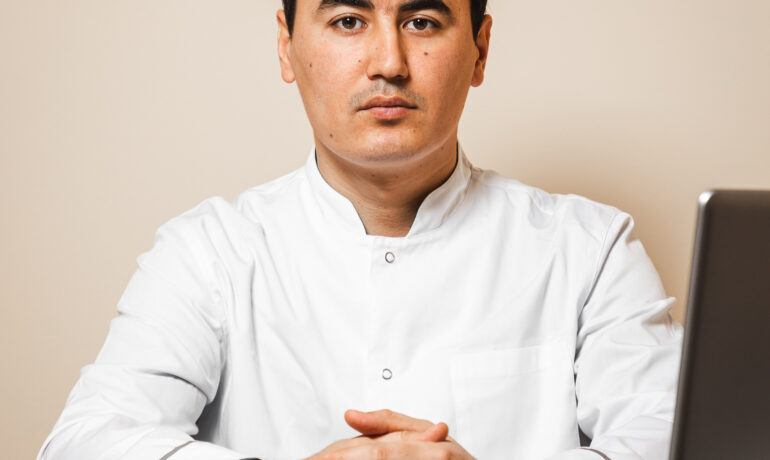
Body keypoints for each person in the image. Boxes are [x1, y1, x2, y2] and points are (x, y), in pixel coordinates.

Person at [39, 0, 683, 459]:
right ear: (287, 46)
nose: (389, 63)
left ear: (480, 49)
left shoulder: (590, 249)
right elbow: (84, 441)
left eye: (422, 21)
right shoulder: (208, 253)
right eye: (348, 20)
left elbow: (674, 440)